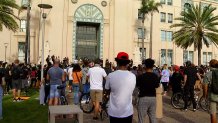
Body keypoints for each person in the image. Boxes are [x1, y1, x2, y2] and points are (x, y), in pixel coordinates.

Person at [105, 52, 136, 123]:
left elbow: (106, 90)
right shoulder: (132, 76)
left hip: (114, 112)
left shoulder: (110, 76)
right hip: (128, 112)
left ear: (117, 63)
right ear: (127, 64)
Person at [136, 58, 159, 123]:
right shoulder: (155, 76)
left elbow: (137, 86)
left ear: (145, 66)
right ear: (152, 66)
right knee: (153, 118)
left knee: (141, 119)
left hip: (143, 98)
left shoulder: (141, 76)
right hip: (153, 98)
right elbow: (157, 86)